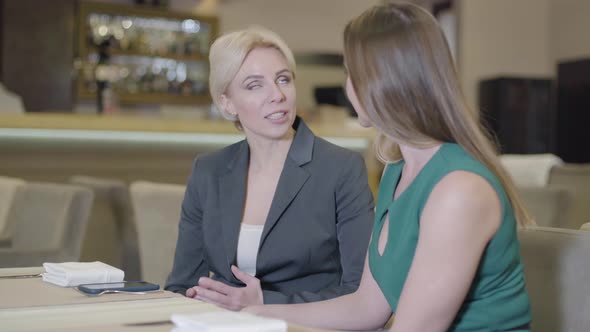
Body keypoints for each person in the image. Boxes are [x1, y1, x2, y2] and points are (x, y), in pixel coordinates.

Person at [245, 3, 533, 331]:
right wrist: (259, 313)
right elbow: (366, 308)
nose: (347, 86)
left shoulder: (459, 190)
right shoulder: (396, 171)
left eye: (350, 73)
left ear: (380, 82)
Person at [164, 26, 375, 311]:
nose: (277, 95)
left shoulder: (342, 169)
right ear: (227, 103)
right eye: (254, 85)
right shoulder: (208, 171)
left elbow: (360, 293)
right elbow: (182, 285)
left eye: (283, 79)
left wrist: (265, 302)